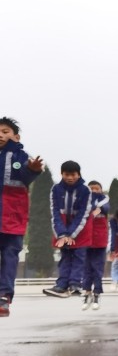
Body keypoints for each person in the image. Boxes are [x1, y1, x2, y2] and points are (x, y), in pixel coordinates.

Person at [0, 117, 43, 316]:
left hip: (12, 217)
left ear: (16, 136)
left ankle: (4, 296)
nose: (1, 134)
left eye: (5, 131)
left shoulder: (20, 156)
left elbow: (27, 174)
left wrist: (32, 170)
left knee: (10, 256)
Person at [43, 161, 93, 298]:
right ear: (61, 174)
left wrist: (71, 233)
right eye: (66, 174)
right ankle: (62, 284)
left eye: (73, 174)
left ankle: (75, 284)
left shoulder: (85, 190)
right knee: (65, 257)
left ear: (78, 174)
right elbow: (55, 213)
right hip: (62, 227)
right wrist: (62, 233)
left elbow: (84, 213)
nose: (70, 177)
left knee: (78, 257)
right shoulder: (55, 189)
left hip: (80, 229)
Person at [82, 181, 110, 311]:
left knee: (97, 269)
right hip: (86, 240)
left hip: (100, 241)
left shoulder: (104, 200)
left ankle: (97, 294)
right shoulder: (82, 199)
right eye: (91, 188)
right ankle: (87, 293)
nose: (93, 190)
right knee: (87, 269)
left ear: (101, 189)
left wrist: (91, 209)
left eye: (96, 188)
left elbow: (102, 208)